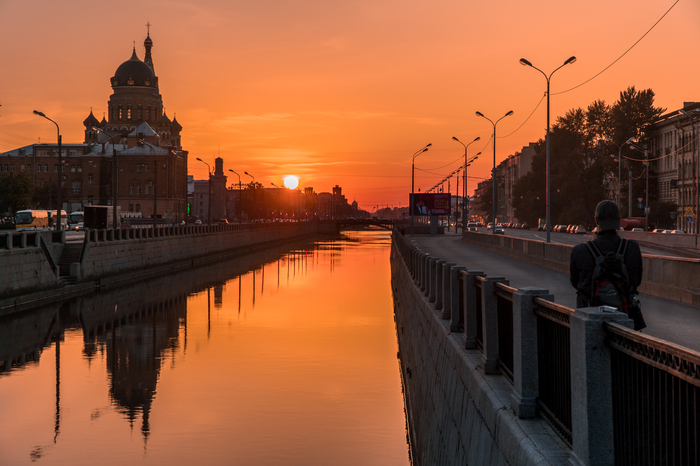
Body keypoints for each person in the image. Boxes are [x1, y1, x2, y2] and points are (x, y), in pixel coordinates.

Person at [569, 200, 643, 309]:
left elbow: (575, 282)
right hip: (623, 315)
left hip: (589, 313)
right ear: (619, 221)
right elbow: (637, 280)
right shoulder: (631, 247)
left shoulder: (580, 251)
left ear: (596, 220)